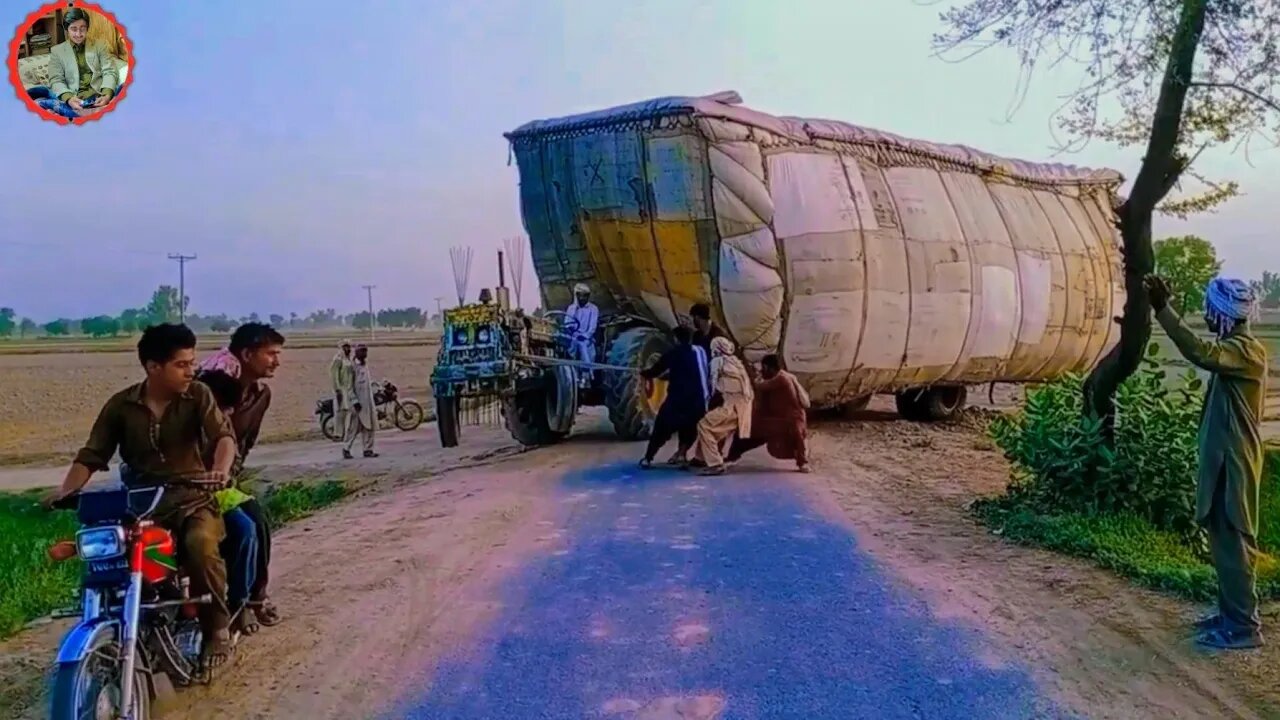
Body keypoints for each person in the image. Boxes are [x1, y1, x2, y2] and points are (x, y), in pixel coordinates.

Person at [44, 324, 238, 668]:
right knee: (116, 556)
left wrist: (220, 471)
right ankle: (125, 623)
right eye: (182, 364)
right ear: (153, 367)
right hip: (140, 507)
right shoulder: (121, 406)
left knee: (199, 545)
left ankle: (216, 630)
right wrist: (66, 491)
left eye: (191, 363)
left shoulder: (199, 396)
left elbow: (223, 438)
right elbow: (91, 455)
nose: (191, 370)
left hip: (192, 500)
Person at [1147, 274, 1268, 650]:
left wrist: (1163, 310)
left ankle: (1244, 628)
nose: (1207, 316)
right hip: (1224, 461)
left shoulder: (1245, 351)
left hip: (1234, 462)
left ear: (1223, 315)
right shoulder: (1237, 348)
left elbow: (1200, 352)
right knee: (1222, 540)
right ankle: (1231, 614)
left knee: (1233, 541)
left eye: (1210, 311)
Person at [199, 321, 287, 629]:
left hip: (223, 479)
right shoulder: (213, 386)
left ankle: (254, 597)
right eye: (270, 354)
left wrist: (229, 477)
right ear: (247, 354)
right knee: (245, 528)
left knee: (256, 521)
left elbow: (243, 444)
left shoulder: (260, 395)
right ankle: (238, 605)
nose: (276, 361)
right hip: (195, 478)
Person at [192, 369, 260, 636]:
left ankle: (241, 601)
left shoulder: (219, 425)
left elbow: (230, 451)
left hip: (207, 496)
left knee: (246, 528)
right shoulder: (166, 417)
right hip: (163, 498)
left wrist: (222, 475)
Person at [27, 8, 121, 120]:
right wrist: (69, 98)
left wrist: (106, 95)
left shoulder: (100, 46)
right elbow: (56, 80)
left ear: (87, 28)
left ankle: (82, 114)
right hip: (73, 100)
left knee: (125, 88)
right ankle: (80, 114)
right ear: (67, 29)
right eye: (74, 29)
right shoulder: (57, 51)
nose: (79, 34)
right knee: (37, 99)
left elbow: (109, 71)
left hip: (98, 98)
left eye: (83, 29)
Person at [725, 354, 812, 473]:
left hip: (789, 419)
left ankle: (802, 462)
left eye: (763, 368)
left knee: (795, 437)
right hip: (780, 419)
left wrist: (756, 375)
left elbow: (759, 386)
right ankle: (732, 456)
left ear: (767, 367)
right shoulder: (784, 376)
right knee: (751, 432)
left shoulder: (781, 379)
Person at [638, 325, 710, 469]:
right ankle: (682, 454)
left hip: (677, 400)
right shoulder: (700, 352)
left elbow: (655, 371)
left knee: (661, 428)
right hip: (697, 400)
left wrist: (643, 373)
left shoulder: (673, 353)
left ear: (676, 339)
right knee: (689, 429)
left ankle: (648, 457)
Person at [694, 336, 755, 476]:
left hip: (731, 407)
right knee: (716, 430)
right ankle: (700, 458)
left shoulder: (718, 361)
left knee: (704, 425)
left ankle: (715, 463)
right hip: (742, 409)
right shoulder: (736, 362)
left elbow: (711, 385)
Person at [343, 344, 378, 459]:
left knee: (369, 426)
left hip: (368, 402)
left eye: (366, 352)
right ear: (357, 353)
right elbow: (348, 387)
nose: (365, 354)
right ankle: (346, 448)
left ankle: (368, 449)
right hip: (357, 404)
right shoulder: (351, 367)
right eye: (362, 352)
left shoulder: (365, 365)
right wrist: (354, 401)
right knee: (353, 428)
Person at [565, 284, 599, 387]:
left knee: (585, 347)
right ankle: (572, 375)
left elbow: (592, 327)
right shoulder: (571, 308)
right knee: (571, 347)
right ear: (576, 296)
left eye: (585, 295)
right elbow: (567, 323)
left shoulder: (593, 309)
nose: (583, 298)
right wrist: (574, 333)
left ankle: (587, 375)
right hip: (573, 337)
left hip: (587, 338)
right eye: (580, 295)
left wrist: (585, 335)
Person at [329, 340, 354, 439]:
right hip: (341, 389)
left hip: (349, 388)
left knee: (348, 411)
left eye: (348, 347)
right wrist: (337, 389)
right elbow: (334, 375)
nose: (347, 349)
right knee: (340, 412)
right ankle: (338, 434)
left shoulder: (349, 359)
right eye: (345, 347)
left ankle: (346, 433)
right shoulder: (338, 359)